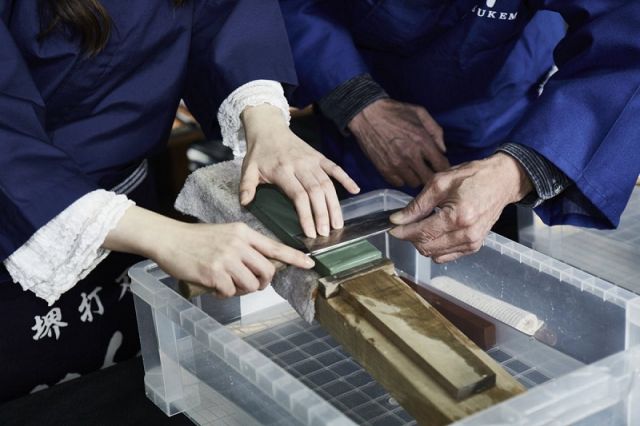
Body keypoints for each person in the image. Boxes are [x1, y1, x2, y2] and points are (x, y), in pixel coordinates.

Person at [0, 0, 359, 401]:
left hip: (131, 203)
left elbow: (224, 13)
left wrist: (265, 122)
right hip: (21, 214)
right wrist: (167, 239)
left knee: (135, 382)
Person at [280, 0, 640, 262]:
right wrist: (352, 97)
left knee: (473, 291)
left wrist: (520, 170)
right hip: (356, 101)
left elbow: (624, 41)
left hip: (496, 112)